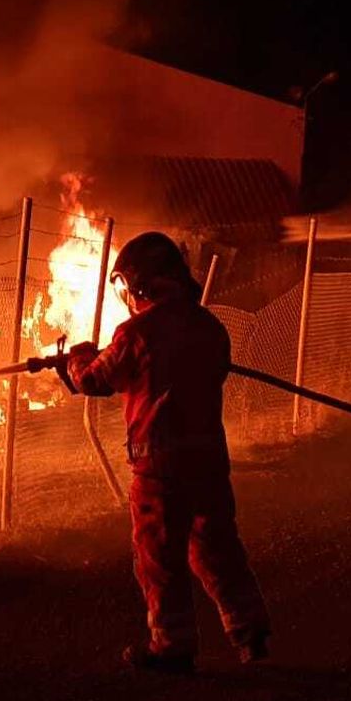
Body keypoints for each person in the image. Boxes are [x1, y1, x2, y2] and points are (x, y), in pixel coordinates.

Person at [63, 232, 270, 674]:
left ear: (139, 283)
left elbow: (94, 381)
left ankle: (171, 646)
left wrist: (76, 358)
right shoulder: (209, 327)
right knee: (216, 548)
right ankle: (249, 627)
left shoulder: (135, 332)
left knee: (159, 558)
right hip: (209, 461)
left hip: (158, 464)